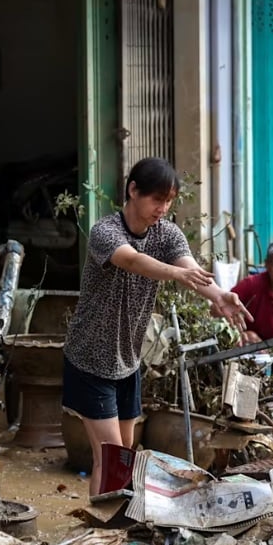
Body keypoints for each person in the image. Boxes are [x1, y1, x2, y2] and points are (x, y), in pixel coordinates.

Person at [63, 157, 251, 497]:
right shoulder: (105, 232)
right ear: (133, 191)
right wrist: (177, 274)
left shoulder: (167, 233)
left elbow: (190, 268)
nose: (163, 208)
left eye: (169, 201)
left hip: (127, 360)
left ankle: (113, 527)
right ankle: (101, 536)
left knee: (126, 457)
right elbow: (133, 260)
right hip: (90, 358)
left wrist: (220, 295)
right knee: (110, 459)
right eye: (157, 199)